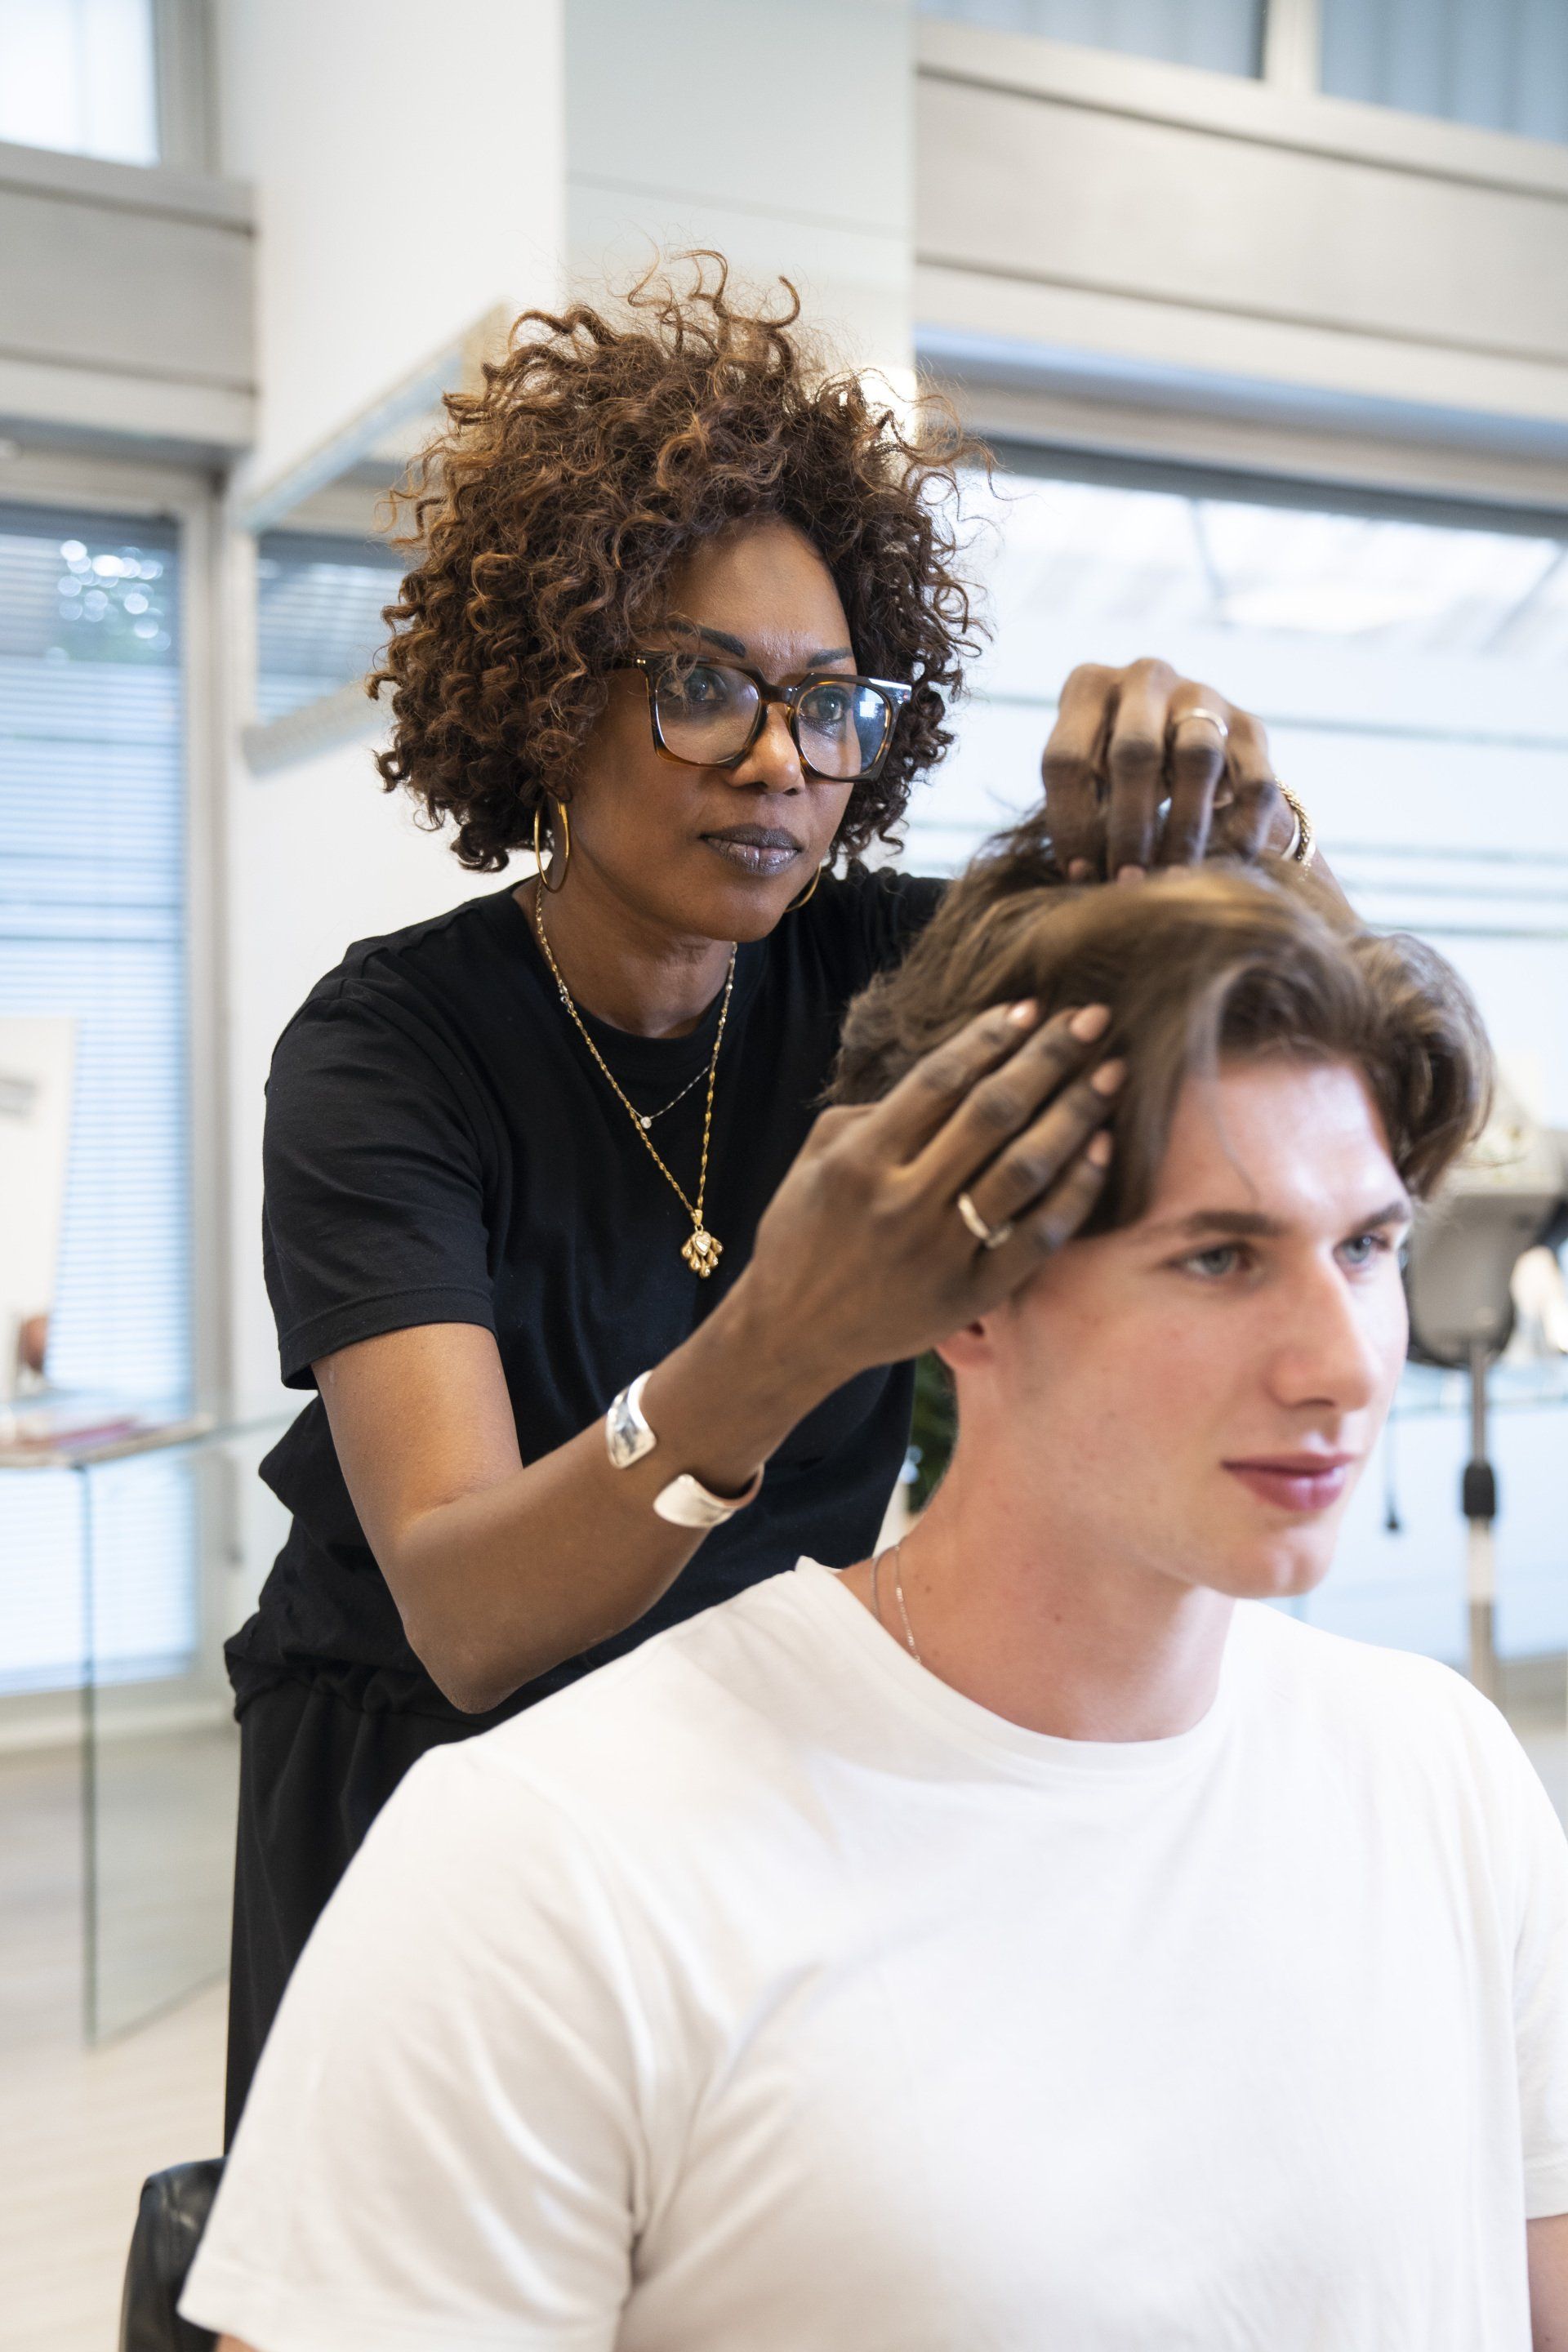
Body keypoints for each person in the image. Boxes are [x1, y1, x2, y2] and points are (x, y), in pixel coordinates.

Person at [186, 849, 1568, 2350]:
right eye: (1221, 1257)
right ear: (957, 1288)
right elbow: (462, 1599)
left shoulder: (1446, 1776)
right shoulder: (548, 1871)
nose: (1345, 1366)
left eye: (1367, 1245)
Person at [224, 256, 1302, 2137]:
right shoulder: (388, 1052)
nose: (779, 762)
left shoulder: (889, 973)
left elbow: (1258, 1026)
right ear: (550, 696)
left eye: (827, 704)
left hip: (748, 1755)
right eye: (704, 688)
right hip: (423, 1784)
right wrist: (789, 1333)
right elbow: (469, 1608)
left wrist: (1231, 829)